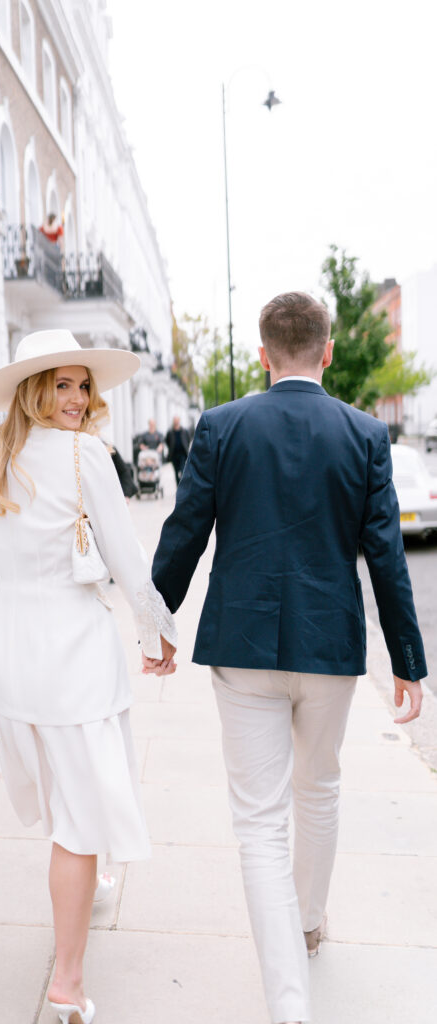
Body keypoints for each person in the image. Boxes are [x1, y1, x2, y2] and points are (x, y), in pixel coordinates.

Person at [146, 292, 426, 1024]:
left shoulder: (222, 425)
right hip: (330, 645)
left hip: (241, 646)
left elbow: (184, 533)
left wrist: (157, 626)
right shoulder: (364, 434)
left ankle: (288, 1005)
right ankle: (306, 920)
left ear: (262, 353)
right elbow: (385, 557)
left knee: (258, 823)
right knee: (320, 787)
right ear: (327, 351)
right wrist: (406, 657)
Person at [0, 329, 176, 1024]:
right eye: (61, 384)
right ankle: (66, 981)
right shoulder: (84, 456)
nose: (76, 398)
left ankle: (87, 880)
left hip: (14, 648)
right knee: (77, 815)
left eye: (82, 385)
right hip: (72, 650)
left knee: (67, 796)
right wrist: (154, 628)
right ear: (32, 389)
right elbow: (127, 558)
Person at [165, 415, 191, 484]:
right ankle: (178, 485)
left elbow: (188, 440)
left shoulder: (184, 431)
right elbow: (167, 441)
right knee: (176, 472)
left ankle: (182, 485)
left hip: (182, 454)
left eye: (177, 421)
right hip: (174, 455)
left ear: (179, 421)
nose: (176, 422)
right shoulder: (170, 432)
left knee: (182, 471)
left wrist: (186, 447)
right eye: (175, 421)